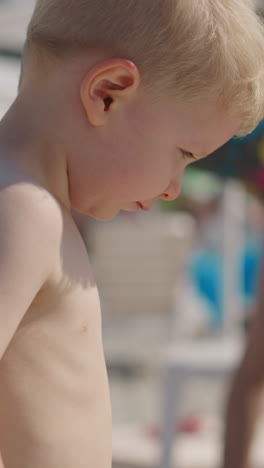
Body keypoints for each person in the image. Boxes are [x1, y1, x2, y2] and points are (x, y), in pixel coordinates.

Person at [0, 1, 263, 467]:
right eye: (182, 153)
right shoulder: (25, 210)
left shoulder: (36, 208)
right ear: (107, 94)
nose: (174, 189)